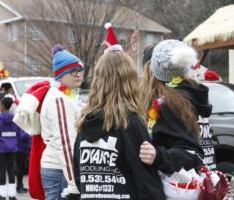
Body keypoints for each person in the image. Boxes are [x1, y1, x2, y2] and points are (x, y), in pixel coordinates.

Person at [73, 23, 166, 200]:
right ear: (128, 81)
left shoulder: (83, 124)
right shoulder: (130, 123)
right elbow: (146, 182)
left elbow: (78, 176)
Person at [14, 44, 83, 200]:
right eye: (73, 71)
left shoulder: (62, 95)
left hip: (59, 169)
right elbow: (65, 143)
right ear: (61, 75)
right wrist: (74, 183)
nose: (78, 74)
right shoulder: (59, 99)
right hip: (60, 170)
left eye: (80, 70)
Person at [139, 39, 208, 174]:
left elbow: (192, 153)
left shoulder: (171, 103)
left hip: (170, 190)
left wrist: (158, 156)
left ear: (153, 70)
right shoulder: (187, 95)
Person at [0, 95, 23, 200]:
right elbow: (19, 134)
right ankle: (12, 195)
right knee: (11, 171)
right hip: (12, 148)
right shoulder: (15, 118)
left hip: (1, 148)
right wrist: (14, 143)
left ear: (3, 106)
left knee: (2, 171)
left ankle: (2, 195)